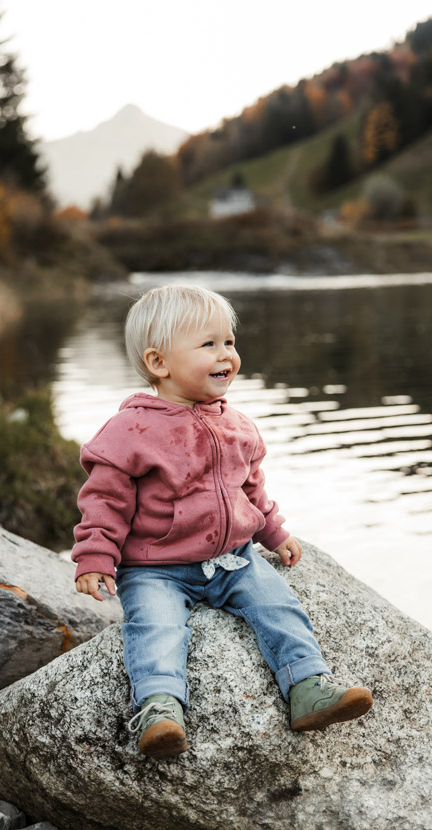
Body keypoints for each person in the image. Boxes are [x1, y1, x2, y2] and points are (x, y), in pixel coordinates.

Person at [72, 285, 372, 760]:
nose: (226, 354)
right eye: (208, 344)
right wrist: (95, 558)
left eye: (229, 342)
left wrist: (274, 532)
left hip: (233, 559)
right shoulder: (129, 431)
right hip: (156, 567)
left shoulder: (238, 426)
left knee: (279, 605)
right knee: (156, 626)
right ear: (158, 362)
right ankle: (159, 709)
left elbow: (251, 488)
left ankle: (307, 686)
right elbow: (104, 501)